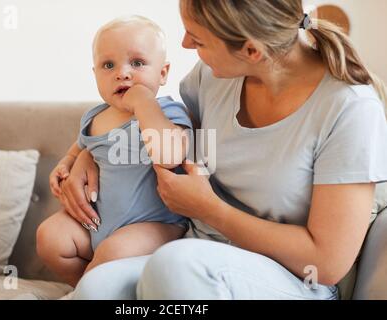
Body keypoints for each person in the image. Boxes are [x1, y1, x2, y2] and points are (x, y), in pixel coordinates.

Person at [70, 0, 387, 300]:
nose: (185, 45)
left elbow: (328, 262)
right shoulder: (212, 77)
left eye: (198, 39)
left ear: (251, 50)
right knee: (97, 286)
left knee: (176, 266)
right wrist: (86, 155)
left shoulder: (350, 110)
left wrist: (211, 210)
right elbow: (164, 133)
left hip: (290, 279)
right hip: (192, 256)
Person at [36, 15, 193, 287]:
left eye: (138, 63)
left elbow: (171, 156)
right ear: (95, 74)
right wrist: (66, 163)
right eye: (108, 65)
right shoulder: (93, 117)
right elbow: (80, 147)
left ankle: (88, 291)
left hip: (153, 227)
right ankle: (90, 288)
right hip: (97, 225)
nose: (123, 73)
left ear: (163, 73)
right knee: (49, 236)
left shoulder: (166, 111)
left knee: (112, 253)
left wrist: (144, 103)